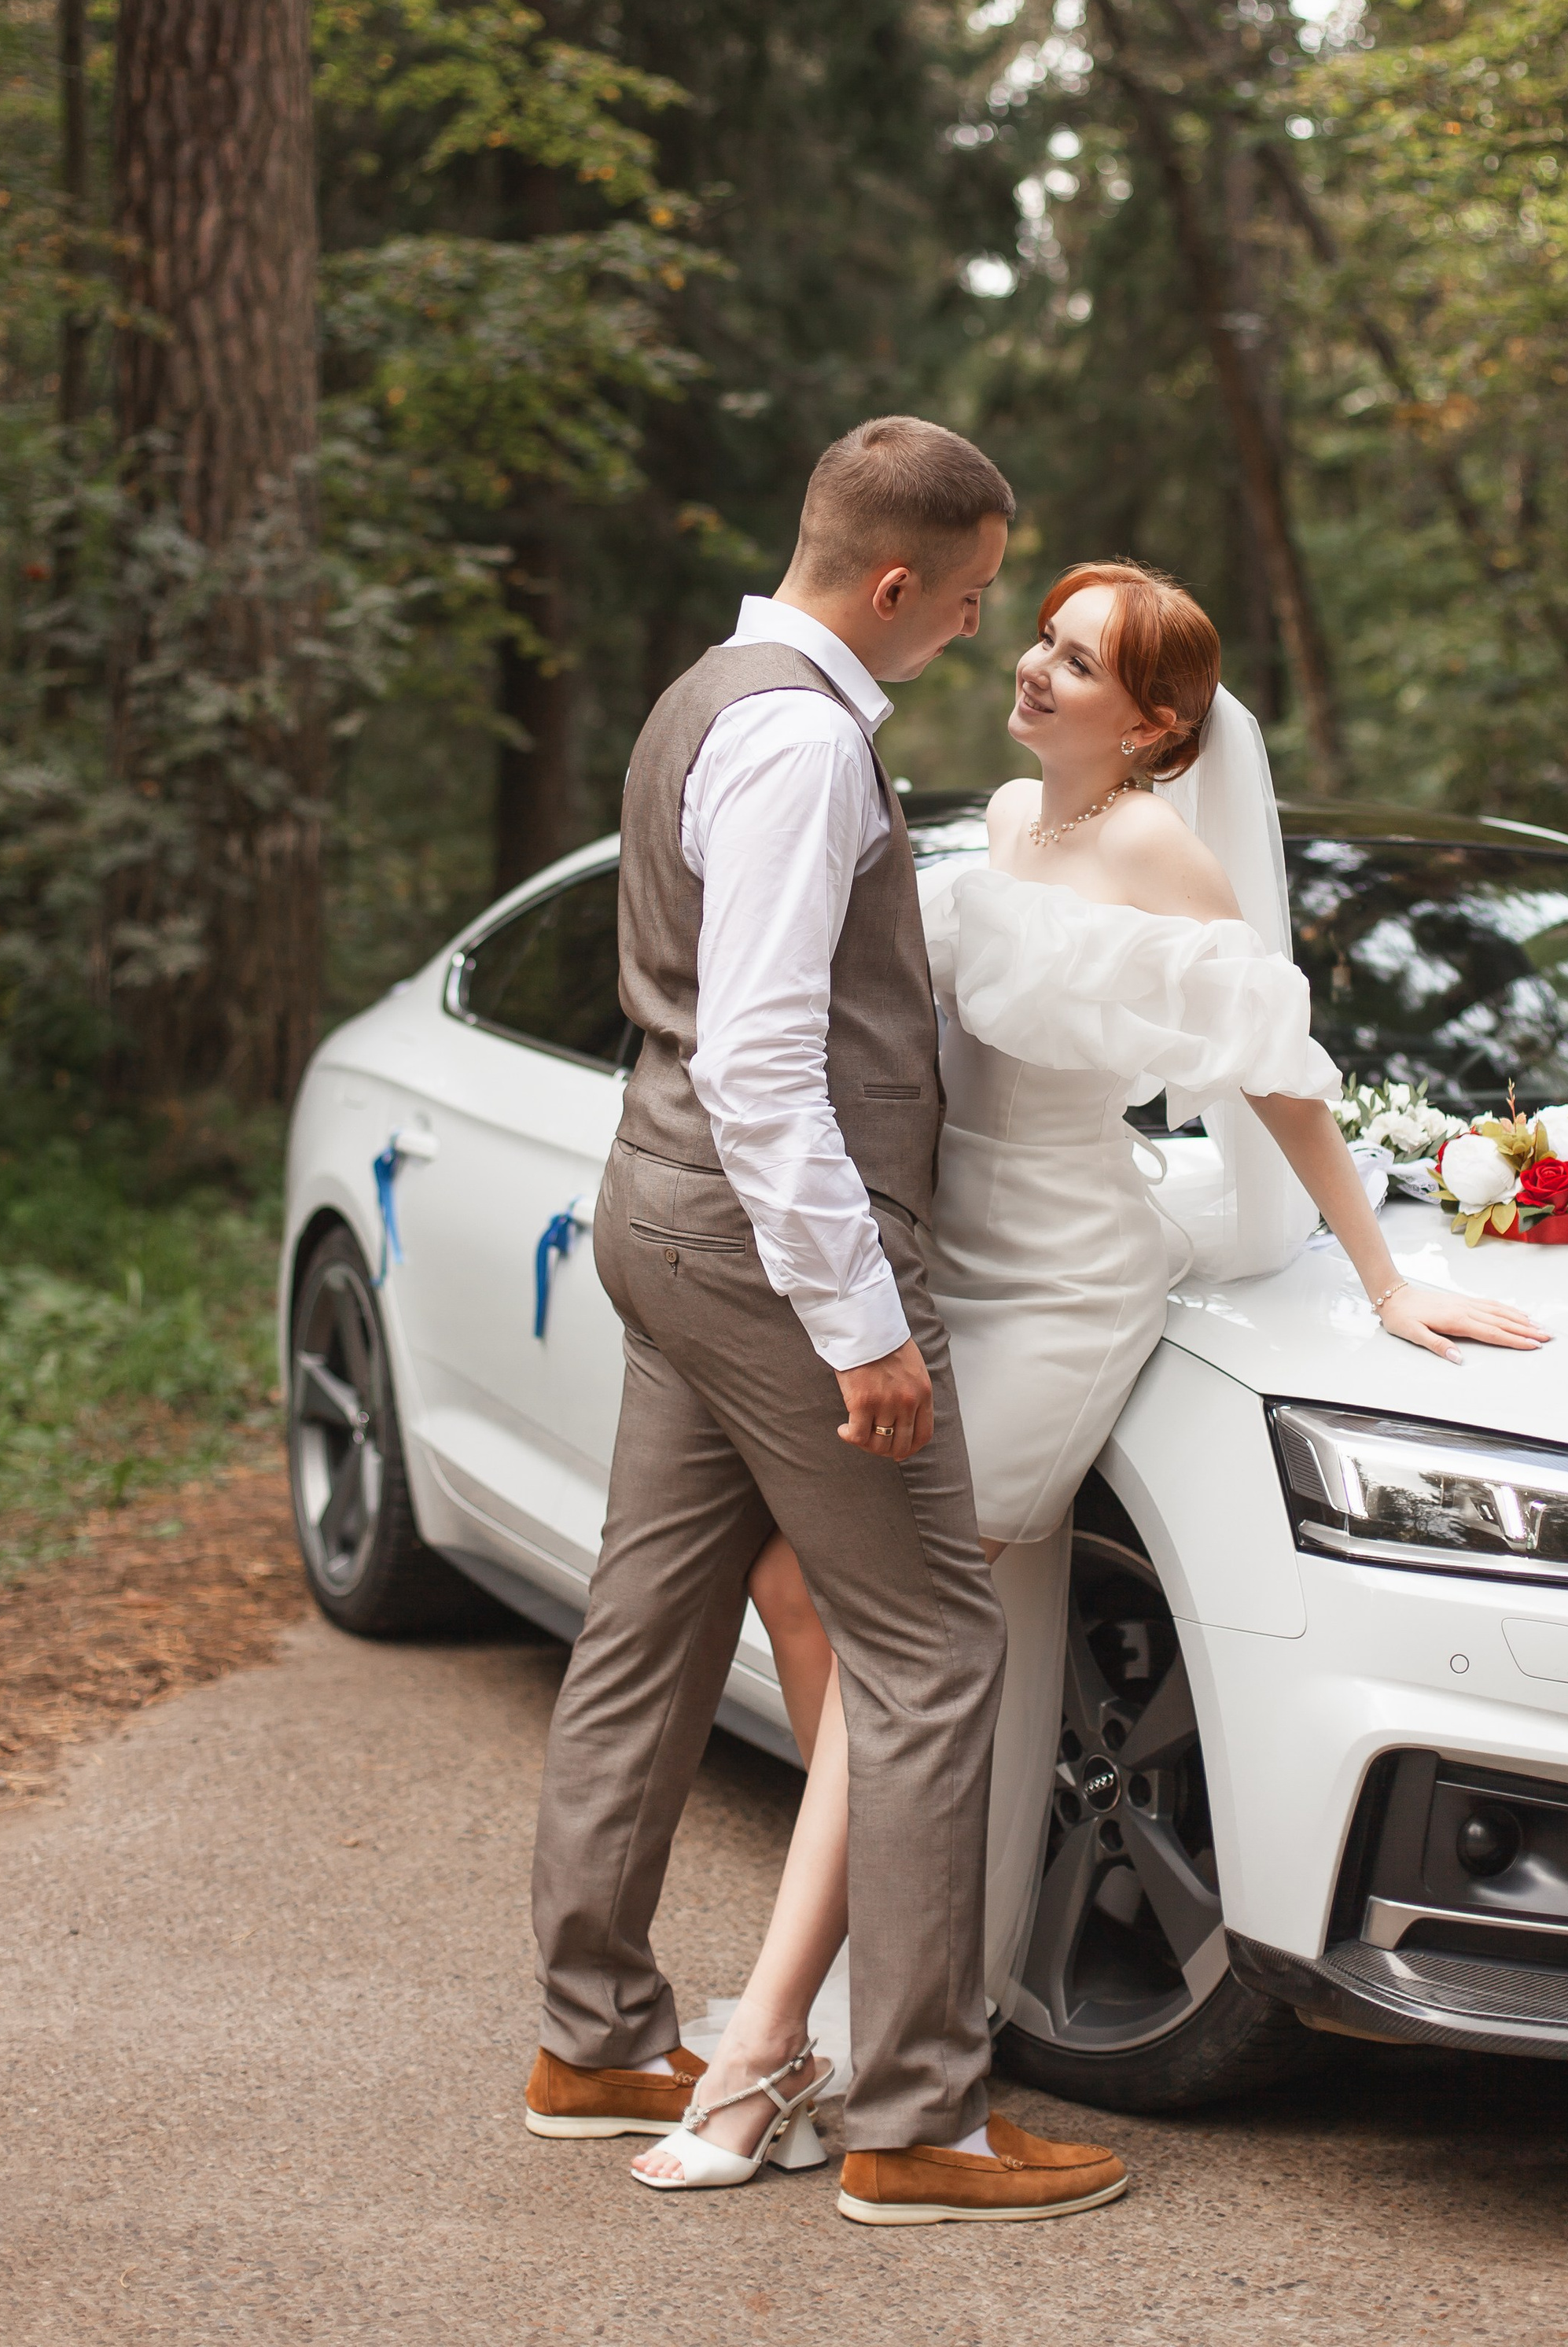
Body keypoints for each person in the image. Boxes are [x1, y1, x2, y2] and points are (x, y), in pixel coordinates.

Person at [635, 558, 1549, 2184]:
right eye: (1040, 642)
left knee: (903, 1633)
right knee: (894, 1626)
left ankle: (769, 2048)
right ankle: (907, 2010)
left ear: (1153, 722)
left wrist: (1382, 1270)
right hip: (945, 1266)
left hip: (1064, 1282)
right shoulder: (996, 821)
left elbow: (1273, 1076)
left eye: (1078, 661)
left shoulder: (1154, 852)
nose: (1035, 672)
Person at [524, 420, 1132, 2229]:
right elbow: (767, 1062)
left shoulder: (703, 692)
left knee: (641, 1626)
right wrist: (863, 1327)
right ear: (889, 584)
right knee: (935, 1657)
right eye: (960, 605)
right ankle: (919, 2120)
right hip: (775, 1244)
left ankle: (590, 2037)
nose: (969, 638)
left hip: (657, 1208)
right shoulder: (796, 740)